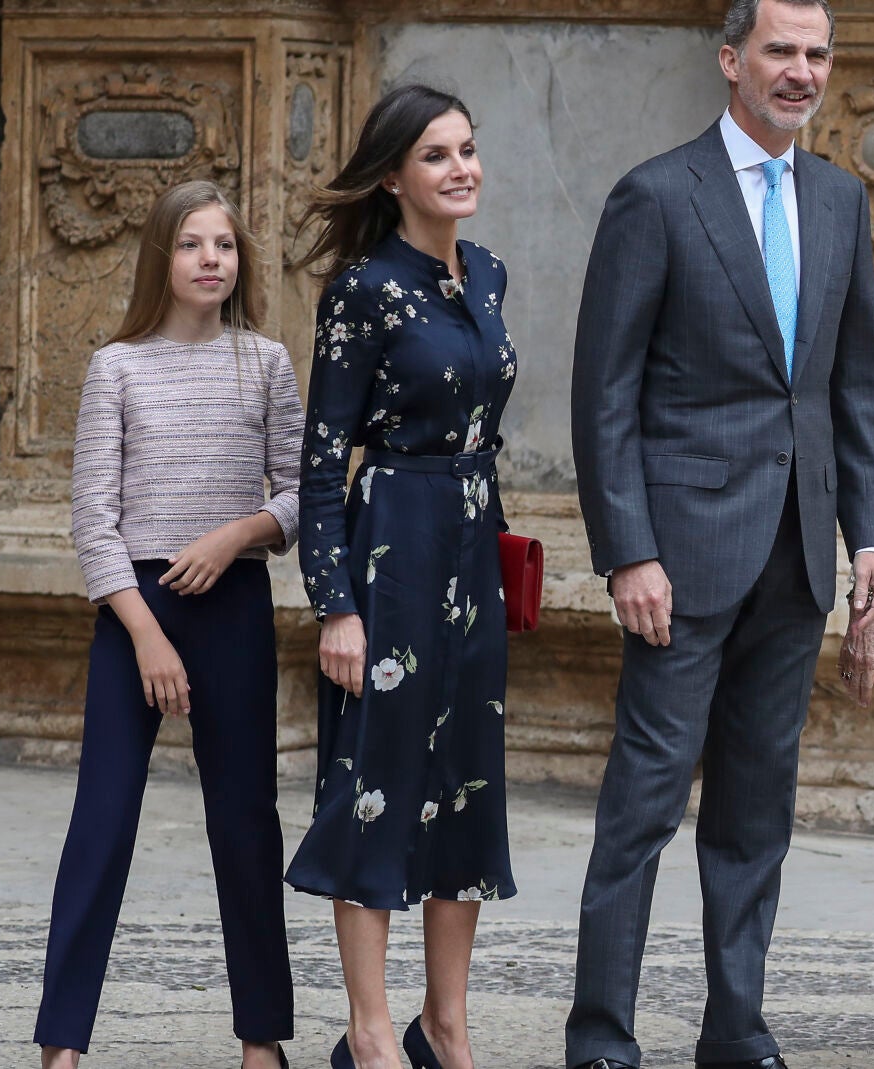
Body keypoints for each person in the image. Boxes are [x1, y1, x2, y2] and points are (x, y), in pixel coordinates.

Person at [564, 0, 874, 1064]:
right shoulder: (657, 195)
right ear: (730, 61)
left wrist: (870, 537)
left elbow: (856, 388)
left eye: (816, 54)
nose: (800, 71)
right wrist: (629, 550)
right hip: (682, 557)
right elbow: (603, 392)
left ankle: (735, 1026)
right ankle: (601, 1032)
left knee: (757, 811)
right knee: (642, 805)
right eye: (779, 52)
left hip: (797, 556)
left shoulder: (841, 200)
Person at [38, 179, 298, 1069]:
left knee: (244, 818)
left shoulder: (264, 362)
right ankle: (61, 1041)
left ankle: (262, 1040)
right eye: (192, 245)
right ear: (162, 256)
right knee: (102, 818)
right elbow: (91, 518)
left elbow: (304, 493)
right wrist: (146, 632)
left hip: (233, 602)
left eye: (224, 245)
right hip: (132, 612)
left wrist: (236, 535)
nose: (211, 260)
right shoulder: (117, 366)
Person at [284, 84, 517, 1069]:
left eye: (466, 148)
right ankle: (372, 1034)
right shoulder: (364, 289)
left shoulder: (491, 274)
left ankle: (445, 1022)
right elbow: (319, 460)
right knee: (375, 784)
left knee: (465, 785)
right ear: (393, 176)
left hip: (472, 543)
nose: (460, 167)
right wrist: (335, 606)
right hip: (392, 547)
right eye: (436, 155)